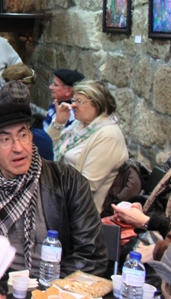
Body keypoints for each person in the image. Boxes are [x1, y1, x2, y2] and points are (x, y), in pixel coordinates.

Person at [0, 102, 108, 278]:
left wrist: (47, 287)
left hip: (55, 287)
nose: (18, 148)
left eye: (23, 136)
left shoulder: (67, 181)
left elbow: (91, 256)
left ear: (31, 136)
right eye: (5, 140)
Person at [47, 80, 128, 213]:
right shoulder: (80, 125)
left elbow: (87, 185)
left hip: (79, 211)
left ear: (97, 104)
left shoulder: (108, 136)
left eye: (79, 101)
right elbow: (46, 149)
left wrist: (48, 186)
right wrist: (59, 122)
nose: (73, 105)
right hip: (59, 195)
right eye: (74, 100)